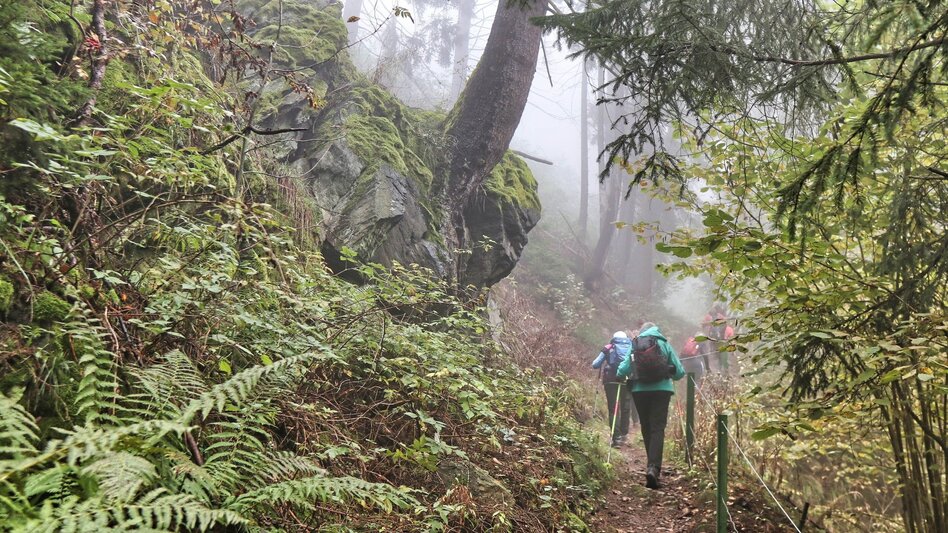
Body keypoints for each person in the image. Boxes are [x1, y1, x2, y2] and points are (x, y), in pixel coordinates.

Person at [616, 322, 685, 489]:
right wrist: (669, 372)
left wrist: (621, 375)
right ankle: (653, 468)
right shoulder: (663, 343)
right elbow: (679, 372)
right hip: (662, 391)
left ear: (642, 331)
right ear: (656, 330)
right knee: (657, 428)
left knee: (646, 427)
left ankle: (650, 466)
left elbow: (623, 369)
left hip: (640, 391)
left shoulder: (636, 344)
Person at [592, 331, 633, 448]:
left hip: (610, 381)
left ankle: (616, 439)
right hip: (626, 380)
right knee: (625, 408)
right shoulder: (631, 348)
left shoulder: (609, 347)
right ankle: (624, 435)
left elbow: (595, 364)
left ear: (613, 338)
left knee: (613, 409)